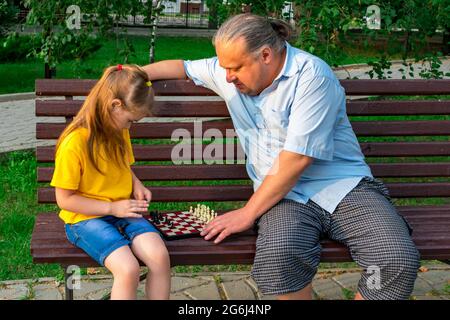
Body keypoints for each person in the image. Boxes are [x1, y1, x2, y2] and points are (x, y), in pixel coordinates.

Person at [142, 13, 420, 300]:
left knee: (393, 259)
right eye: (223, 66)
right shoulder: (230, 73)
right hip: (283, 198)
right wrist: (133, 72)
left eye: (235, 67)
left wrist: (247, 214)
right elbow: (182, 67)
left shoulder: (311, 75)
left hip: (344, 188)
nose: (227, 76)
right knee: (279, 257)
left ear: (265, 55)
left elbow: (297, 159)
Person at [51, 64, 171, 300]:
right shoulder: (74, 144)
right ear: (115, 105)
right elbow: (64, 200)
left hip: (121, 210)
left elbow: (123, 165)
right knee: (128, 269)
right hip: (84, 219)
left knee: (159, 256)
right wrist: (111, 208)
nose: (130, 126)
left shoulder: (118, 129)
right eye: (130, 120)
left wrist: (136, 183)